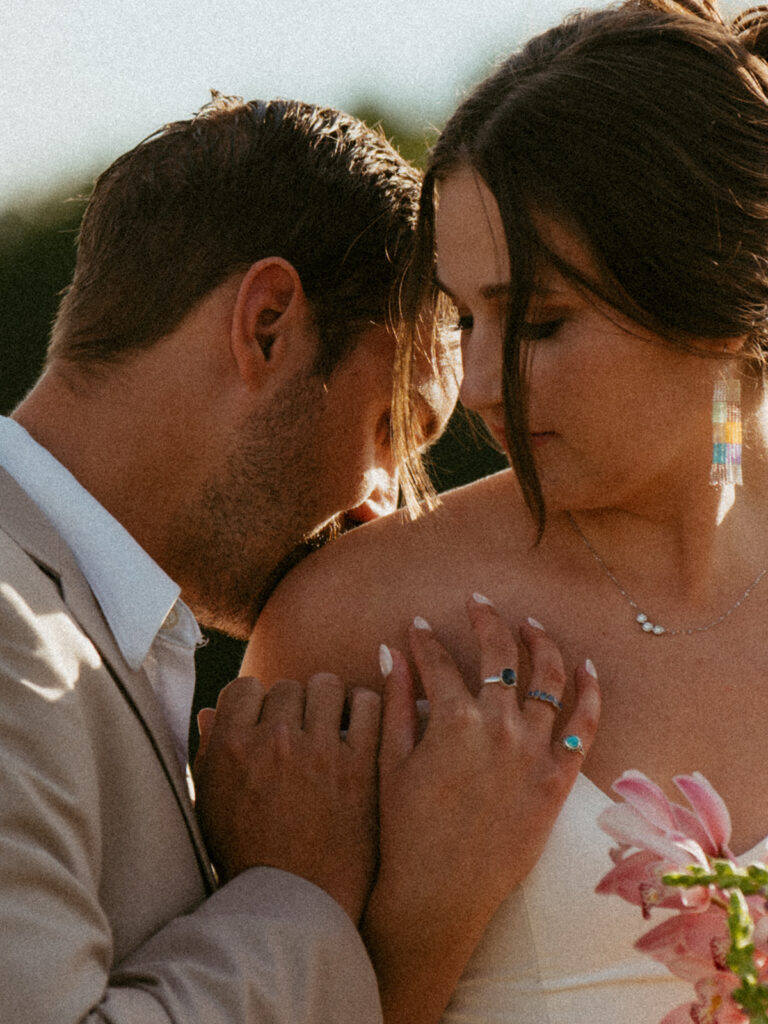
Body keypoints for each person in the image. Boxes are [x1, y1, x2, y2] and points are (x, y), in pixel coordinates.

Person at [0, 92, 599, 1024]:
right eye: (394, 426)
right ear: (270, 323)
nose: (382, 506)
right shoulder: (11, 629)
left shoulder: (102, 631)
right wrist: (293, 890)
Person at [243, 2, 768, 1021]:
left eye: (539, 321)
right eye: (464, 316)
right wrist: (422, 921)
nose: (480, 382)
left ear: (708, 296)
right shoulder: (362, 622)